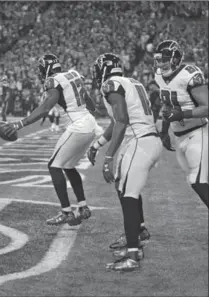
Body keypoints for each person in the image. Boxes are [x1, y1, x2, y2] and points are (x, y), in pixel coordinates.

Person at [0, 54, 103, 226]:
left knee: (54, 165)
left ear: (45, 69)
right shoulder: (73, 74)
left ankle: (66, 212)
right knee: (68, 166)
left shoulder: (53, 81)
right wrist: (89, 109)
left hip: (78, 125)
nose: (40, 74)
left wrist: (20, 124)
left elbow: (46, 107)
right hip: (90, 123)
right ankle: (83, 207)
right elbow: (89, 101)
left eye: (41, 70)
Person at [87, 53, 162, 272]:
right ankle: (138, 233)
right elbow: (116, 121)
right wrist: (97, 144)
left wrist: (108, 157)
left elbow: (121, 120)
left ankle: (132, 254)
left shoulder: (111, 84)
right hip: (145, 140)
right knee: (124, 187)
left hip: (139, 141)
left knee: (128, 194)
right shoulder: (131, 82)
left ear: (103, 69)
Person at [154, 40, 208, 208]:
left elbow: (206, 107)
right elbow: (166, 105)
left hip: (198, 132)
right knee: (193, 181)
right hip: (179, 137)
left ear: (175, 58)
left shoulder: (190, 74)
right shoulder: (158, 75)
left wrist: (181, 114)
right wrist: (163, 131)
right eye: (159, 59)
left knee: (197, 180)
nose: (161, 63)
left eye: (165, 59)